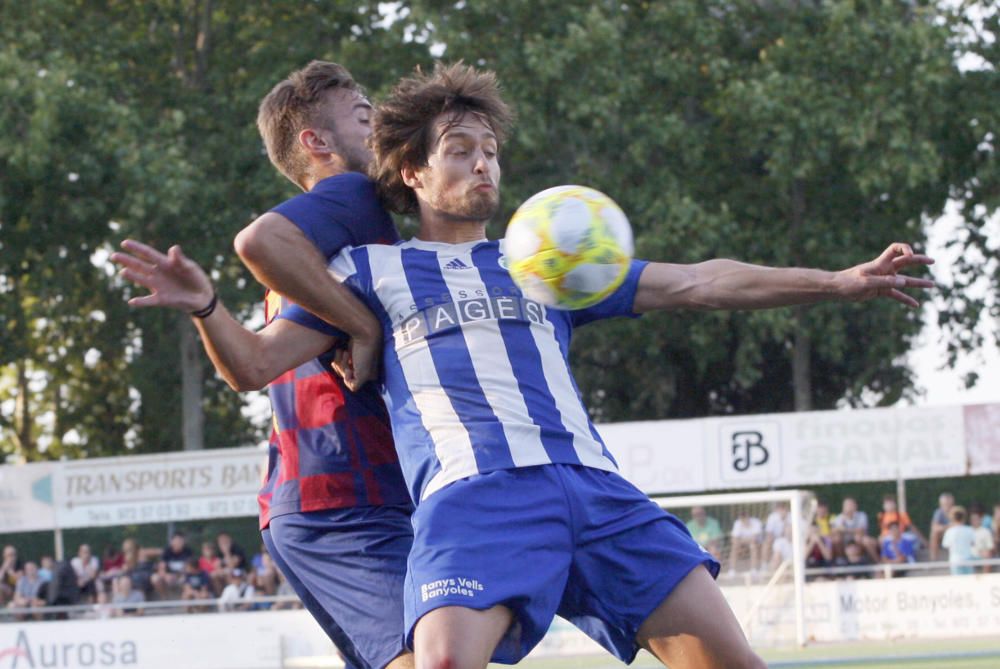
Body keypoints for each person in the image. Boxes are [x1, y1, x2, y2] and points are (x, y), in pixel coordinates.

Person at [113, 62, 934, 669]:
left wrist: (840, 280)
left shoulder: (545, 264)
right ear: (412, 171)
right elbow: (252, 363)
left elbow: (700, 282)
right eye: (462, 149)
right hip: (474, 502)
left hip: (595, 490)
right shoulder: (369, 270)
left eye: (492, 153)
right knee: (436, 664)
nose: (484, 165)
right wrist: (204, 305)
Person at [113, 60, 413, 669]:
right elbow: (257, 242)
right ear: (316, 142)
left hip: (326, 499)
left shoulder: (331, 251)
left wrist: (206, 306)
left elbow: (252, 365)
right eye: (364, 115)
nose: (380, 126)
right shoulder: (351, 199)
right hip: (342, 499)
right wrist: (365, 326)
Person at [832, 497, 880, 562]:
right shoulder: (838, 518)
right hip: (844, 544)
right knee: (836, 539)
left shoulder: (862, 515)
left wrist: (845, 530)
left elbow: (861, 531)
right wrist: (842, 528)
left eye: (851, 504)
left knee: (862, 539)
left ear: (855, 506)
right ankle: (840, 560)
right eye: (847, 505)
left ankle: (877, 562)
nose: (849, 507)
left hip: (859, 543)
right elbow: (834, 531)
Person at [151, 531, 193, 599]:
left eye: (181, 541)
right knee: (155, 578)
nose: (180, 543)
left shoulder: (188, 552)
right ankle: (165, 598)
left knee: (187, 578)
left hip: (182, 576)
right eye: (177, 541)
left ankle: (185, 599)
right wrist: (166, 575)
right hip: (168, 577)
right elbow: (161, 568)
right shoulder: (167, 551)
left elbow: (190, 568)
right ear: (172, 542)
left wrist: (178, 576)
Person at [942, 506, 976, 575]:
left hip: (955, 561)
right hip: (968, 560)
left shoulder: (949, 531)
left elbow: (946, 545)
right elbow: (973, 543)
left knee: (958, 584)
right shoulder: (969, 530)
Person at [728, 511, 763, 576]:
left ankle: (754, 569)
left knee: (753, 546)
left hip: (757, 544)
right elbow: (733, 540)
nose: (744, 520)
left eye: (745, 518)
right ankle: (732, 570)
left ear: (748, 517)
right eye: (742, 518)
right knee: (734, 547)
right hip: (743, 544)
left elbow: (754, 539)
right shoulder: (738, 523)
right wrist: (743, 541)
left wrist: (740, 540)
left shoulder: (756, 522)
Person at [929, 491, 955, 561]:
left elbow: (958, 525)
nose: (946, 506)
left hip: (955, 534)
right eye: (944, 504)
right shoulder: (938, 512)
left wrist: (944, 527)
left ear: (952, 503)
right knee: (934, 534)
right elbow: (934, 527)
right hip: (944, 533)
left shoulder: (956, 511)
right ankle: (934, 559)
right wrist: (947, 527)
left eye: (947, 503)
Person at [969, 508, 995, 572]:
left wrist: (982, 552)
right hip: (968, 555)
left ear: (981, 520)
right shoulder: (967, 531)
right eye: (973, 519)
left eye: (976, 519)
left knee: (987, 555)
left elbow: (990, 546)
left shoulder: (986, 531)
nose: (974, 521)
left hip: (981, 555)